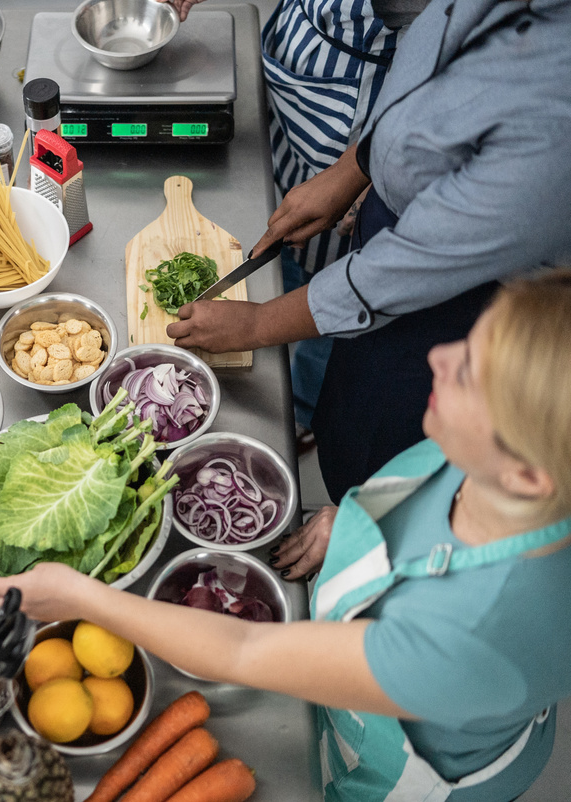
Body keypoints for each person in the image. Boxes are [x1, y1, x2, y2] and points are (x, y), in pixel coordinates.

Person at [0, 269, 571, 802]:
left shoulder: (468, 642)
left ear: (526, 474)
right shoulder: (509, 475)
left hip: (392, 761)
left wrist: (84, 599)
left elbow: (245, 650)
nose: (438, 357)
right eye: (468, 342)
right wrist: (355, 522)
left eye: (468, 374)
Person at [167, 0, 571, 501]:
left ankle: (342, 497)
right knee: (336, 348)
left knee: (372, 429)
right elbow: (423, 51)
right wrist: (355, 168)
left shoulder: (556, 128)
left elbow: (401, 275)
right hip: (384, 185)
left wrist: (257, 326)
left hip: (466, 285)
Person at [165, 0, 426, 441]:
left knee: (329, 289)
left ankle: (303, 411)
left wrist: (368, 165)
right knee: (279, 232)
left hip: (371, 117)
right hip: (300, 80)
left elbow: (368, 287)